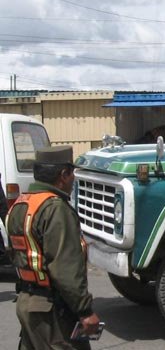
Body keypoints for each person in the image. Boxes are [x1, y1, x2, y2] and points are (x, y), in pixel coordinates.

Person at [7, 146, 100, 350]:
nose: (74, 179)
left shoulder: (21, 204)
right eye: (72, 173)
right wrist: (85, 311)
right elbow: (65, 268)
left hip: (27, 302)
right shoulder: (55, 209)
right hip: (52, 310)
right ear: (63, 175)